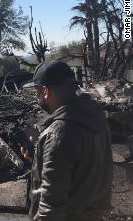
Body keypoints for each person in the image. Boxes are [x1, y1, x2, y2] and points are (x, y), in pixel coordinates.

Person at [22, 60, 113, 221]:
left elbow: (50, 209)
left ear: (45, 91)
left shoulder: (58, 133)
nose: (36, 98)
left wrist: (48, 145)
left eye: (36, 92)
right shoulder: (95, 117)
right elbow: (79, 171)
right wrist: (38, 157)